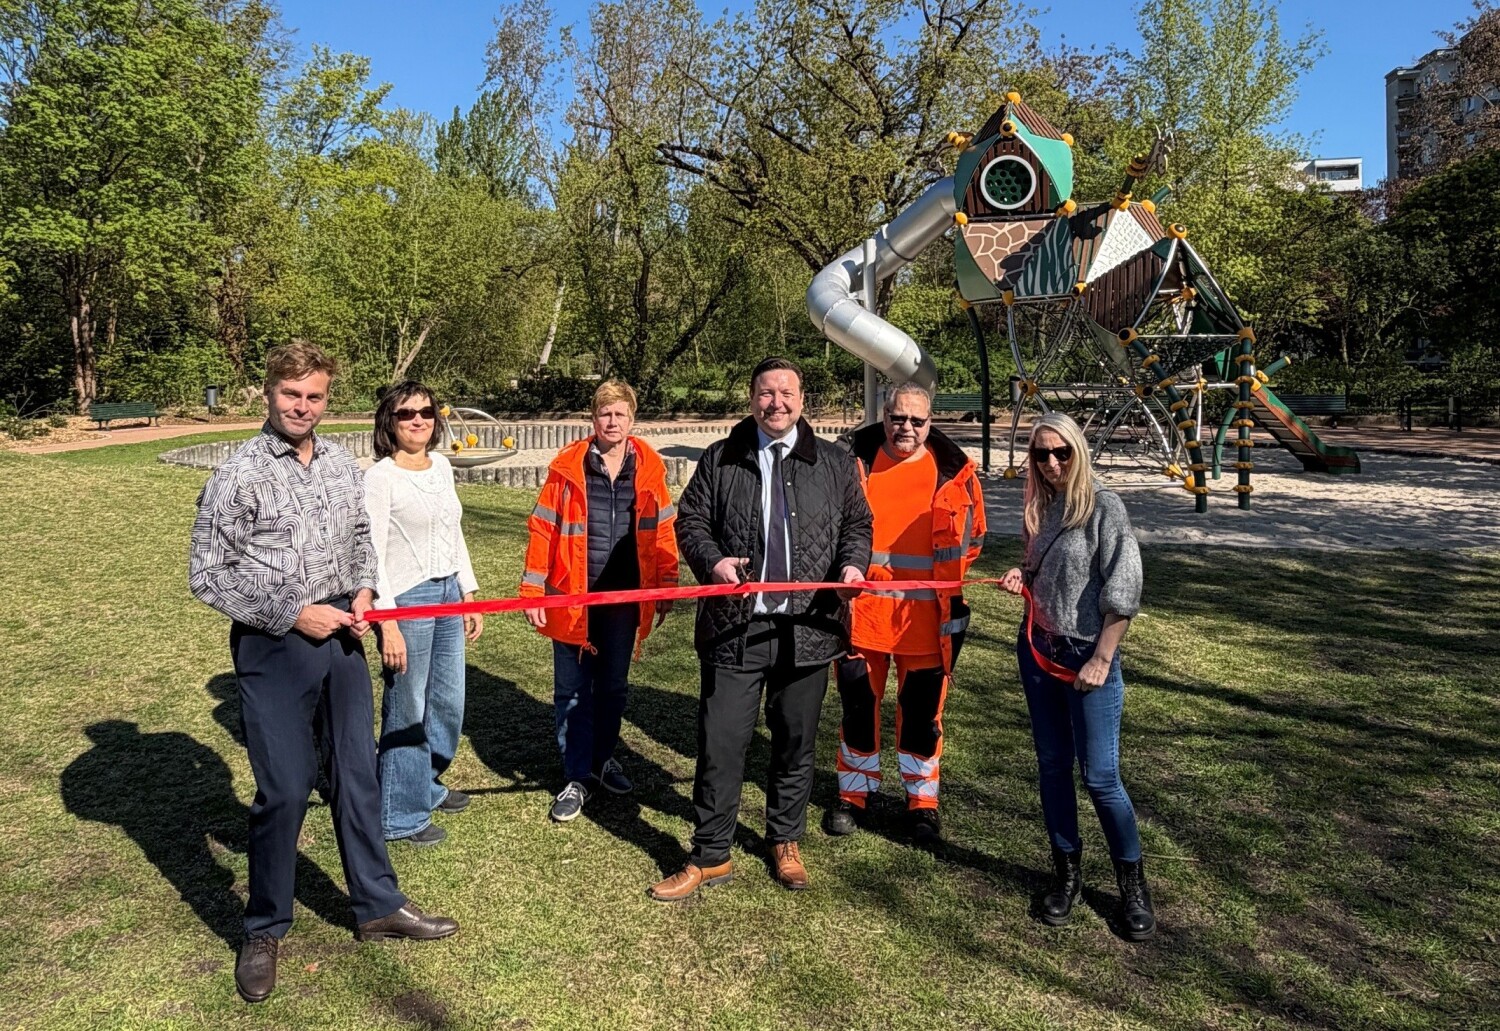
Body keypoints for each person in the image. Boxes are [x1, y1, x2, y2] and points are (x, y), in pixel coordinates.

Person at [188, 341, 458, 1005]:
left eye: (313, 396)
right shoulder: (239, 472)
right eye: (290, 395)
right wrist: (292, 612)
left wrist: (365, 591)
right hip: (273, 645)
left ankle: (377, 904)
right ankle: (264, 925)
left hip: (344, 638)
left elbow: (363, 540)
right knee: (282, 789)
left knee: (357, 775)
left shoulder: (340, 461)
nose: (302, 407)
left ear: (327, 397)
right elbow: (208, 572)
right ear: (269, 393)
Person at [649, 357, 873, 901]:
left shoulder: (837, 463)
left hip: (809, 627)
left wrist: (851, 565)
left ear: (803, 399)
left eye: (786, 392)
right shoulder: (721, 458)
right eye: (766, 393)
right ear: (752, 399)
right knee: (721, 742)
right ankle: (710, 853)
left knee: (795, 743)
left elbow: (857, 524)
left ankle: (785, 840)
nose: (777, 402)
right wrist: (714, 561)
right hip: (736, 626)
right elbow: (691, 521)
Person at [997, 412, 1153, 940]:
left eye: (1061, 452)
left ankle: (1132, 885)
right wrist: (1025, 573)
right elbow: (1044, 568)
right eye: (1041, 454)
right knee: (1052, 767)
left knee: (1101, 778)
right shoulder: (1040, 506)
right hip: (1039, 653)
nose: (1051, 462)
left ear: (1079, 452)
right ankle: (1067, 876)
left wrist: (1103, 659)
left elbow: (1124, 591)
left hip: (1089, 660)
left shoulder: (1105, 508)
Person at [826, 381, 985, 844]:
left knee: (921, 717)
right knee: (858, 708)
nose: (906, 428)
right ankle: (853, 795)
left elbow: (974, 540)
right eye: (898, 418)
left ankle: (922, 803)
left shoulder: (955, 473)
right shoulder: (852, 463)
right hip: (861, 619)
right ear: (884, 415)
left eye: (917, 420)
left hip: (927, 629)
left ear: (930, 421)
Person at [519, 381, 680, 823]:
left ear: (632, 420)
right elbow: (543, 529)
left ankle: (603, 758)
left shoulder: (650, 469)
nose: (613, 422)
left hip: (625, 599)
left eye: (620, 415)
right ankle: (577, 776)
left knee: (612, 687)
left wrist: (666, 580)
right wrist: (532, 589)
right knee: (572, 690)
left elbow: (664, 528)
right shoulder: (567, 469)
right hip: (572, 598)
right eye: (605, 414)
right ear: (594, 419)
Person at [364, 381, 483, 848]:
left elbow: (453, 533)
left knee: (448, 702)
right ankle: (399, 813)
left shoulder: (443, 467)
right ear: (388, 422)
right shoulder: (380, 477)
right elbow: (370, 554)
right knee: (407, 704)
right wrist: (386, 620)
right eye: (406, 413)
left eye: (427, 412)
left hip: (448, 592)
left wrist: (468, 591)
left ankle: (426, 784)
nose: (418, 420)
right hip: (406, 599)